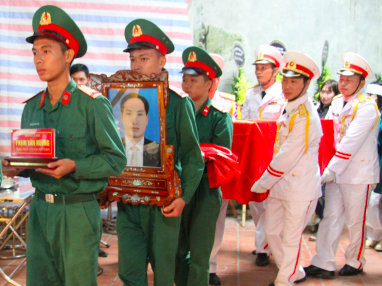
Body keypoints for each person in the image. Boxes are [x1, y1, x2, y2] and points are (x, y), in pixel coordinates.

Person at [2, 5, 127, 286]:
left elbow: (116, 160)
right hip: (40, 211)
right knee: (40, 281)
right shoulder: (32, 108)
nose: (38, 59)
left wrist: (75, 166)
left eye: (46, 51)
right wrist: (15, 168)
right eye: (35, 52)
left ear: (68, 55)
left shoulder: (92, 104)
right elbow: (33, 161)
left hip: (77, 212)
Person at [110, 19, 204, 286]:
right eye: (133, 59)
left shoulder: (177, 102)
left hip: (164, 204)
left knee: (164, 272)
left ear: (162, 61)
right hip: (129, 203)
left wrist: (184, 197)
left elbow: (194, 159)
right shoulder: (120, 101)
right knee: (129, 272)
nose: (136, 65)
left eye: (144, 58)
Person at [304, 53, 379, 279]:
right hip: (336, 172)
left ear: (362, 83)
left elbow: (349, 144)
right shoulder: (337, 102)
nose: (344, 83)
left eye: (350, 79)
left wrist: (328, 171)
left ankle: (355, 261)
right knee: (331, 216)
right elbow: (331, 139)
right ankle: (323, 262)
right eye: (342, 79)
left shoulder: (367, 108)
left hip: (359, 174)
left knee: (356, 220)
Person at [251, 50, 322, 286]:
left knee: (291, 238)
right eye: (285, 80)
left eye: (294, 81)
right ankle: (294, 270)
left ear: (307, 83)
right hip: (281, 185)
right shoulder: (290, 107)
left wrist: (261, 182)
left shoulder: (306, 115)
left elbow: (287, 155)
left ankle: (285, 279)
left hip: (299, 187)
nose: (287, 86)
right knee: (271, 232)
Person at [174, 46, 233, 286]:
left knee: (200, 257)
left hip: (205, 192)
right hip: (178, 190)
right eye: (185, 79)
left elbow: (222, 158)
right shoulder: (177, 112)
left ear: (210, 84)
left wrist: (194, 154)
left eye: (194, 80)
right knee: (177, 252)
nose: (187, 85)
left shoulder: (220, 117)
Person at [242, 44, 285, 268]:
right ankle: (264, 242)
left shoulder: (283, 94)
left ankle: (263, 247)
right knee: (256, 202)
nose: (259, 72)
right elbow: (245, 120)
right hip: (254, 155)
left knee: (270, 203)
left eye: (264, 68)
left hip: (274, 155)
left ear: (275, 70)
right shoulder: (251, 93)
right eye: (257, 68)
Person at [207, 53, 236, 286]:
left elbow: (223, 149)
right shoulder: (182, 99)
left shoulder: (225, 105)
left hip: (214, 173)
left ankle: (210, 266)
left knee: (215, 219)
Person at [364, 80, 382, 251]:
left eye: (374, 96)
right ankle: (374, 235)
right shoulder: (369, 114)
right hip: (373, 160)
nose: (370, 98)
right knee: (373, 200)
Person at [120, 93, 160, 167]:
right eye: (129, 114)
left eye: (139, 114)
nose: (134, 121)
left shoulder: (159, 151)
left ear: (147, 119)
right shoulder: (113, 148)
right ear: (122, 118)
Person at [209, 53, 237, 119]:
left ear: (218, 80)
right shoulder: (192, 99)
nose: (208, 82)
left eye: (211, 78)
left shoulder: (227, 102)